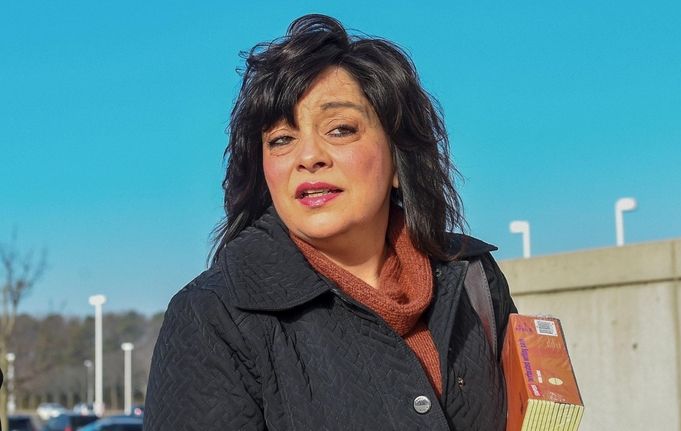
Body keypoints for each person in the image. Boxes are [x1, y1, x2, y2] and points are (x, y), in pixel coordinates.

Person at [144, 14, 516, 431]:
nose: (308, 156)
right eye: (282, 139)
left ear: (399, 159)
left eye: (340, 129)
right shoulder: (212, 316)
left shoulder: (470, 278)